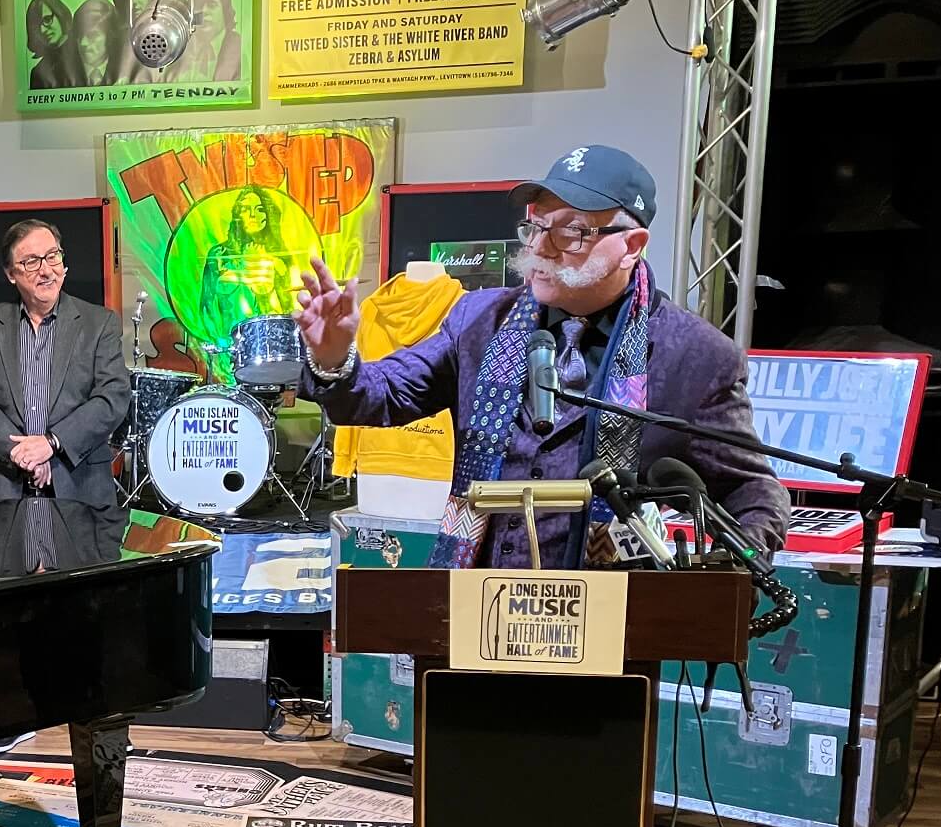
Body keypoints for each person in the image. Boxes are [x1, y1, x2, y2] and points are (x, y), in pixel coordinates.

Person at [294, 145, 790, 570]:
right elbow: (382, 395)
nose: (543, 248)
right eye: (536, 228)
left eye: (572, 231)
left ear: (632, 245)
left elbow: (754, 494)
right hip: (476, 613)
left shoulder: (697, 358)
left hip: (615, 630)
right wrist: (335, 360)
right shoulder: (477, 320)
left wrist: (721, 576)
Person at [0, 218, 127, 524]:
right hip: (5, 486)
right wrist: (22, 452)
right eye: (31, 261)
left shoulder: (99, 323)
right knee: (10, 572)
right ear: (11, 273)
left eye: (53, 256)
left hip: (80, 486)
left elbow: (112, 397)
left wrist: (50, 444)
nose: (46, 269)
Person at [200, 186, 298, 334]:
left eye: (259, 209)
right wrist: (218, 340)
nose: (253, 215)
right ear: (237, 215)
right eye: (245, 209)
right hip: (231, 348)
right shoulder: (220, 254)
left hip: (271, 342)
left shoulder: (279, 257)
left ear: (268, 214)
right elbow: (206, 304)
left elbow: (288, 306)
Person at [171, 0, 242, 83]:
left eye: (212, 5)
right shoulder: (180, 46)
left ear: (225, 11)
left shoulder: (241, 48)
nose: (204, 11)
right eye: (198, 6)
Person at [24, 0, 83, 91]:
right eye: (37, 26)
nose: (43, 30)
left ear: (60, 13)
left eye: (47, 20)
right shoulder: (38, 73)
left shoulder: (86, 51)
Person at [73, 0, 116, 86]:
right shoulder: (60, 74)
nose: (83, 43)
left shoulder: (126, 70)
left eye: (92, 36)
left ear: (110, 37)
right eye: (79, 35)